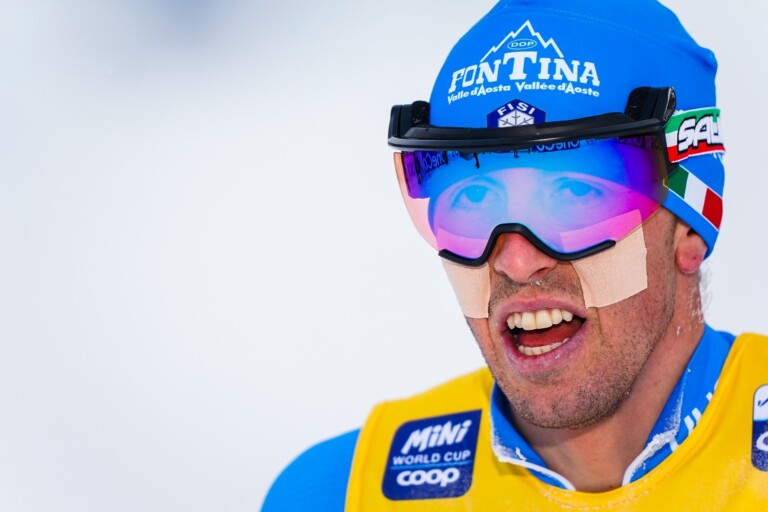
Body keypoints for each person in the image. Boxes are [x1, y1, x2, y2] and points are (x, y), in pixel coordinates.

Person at [263, 0, 768, 509]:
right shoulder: (343, 492)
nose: (517, 262)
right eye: (474, 198)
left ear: (688, 226)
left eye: (575, 193)